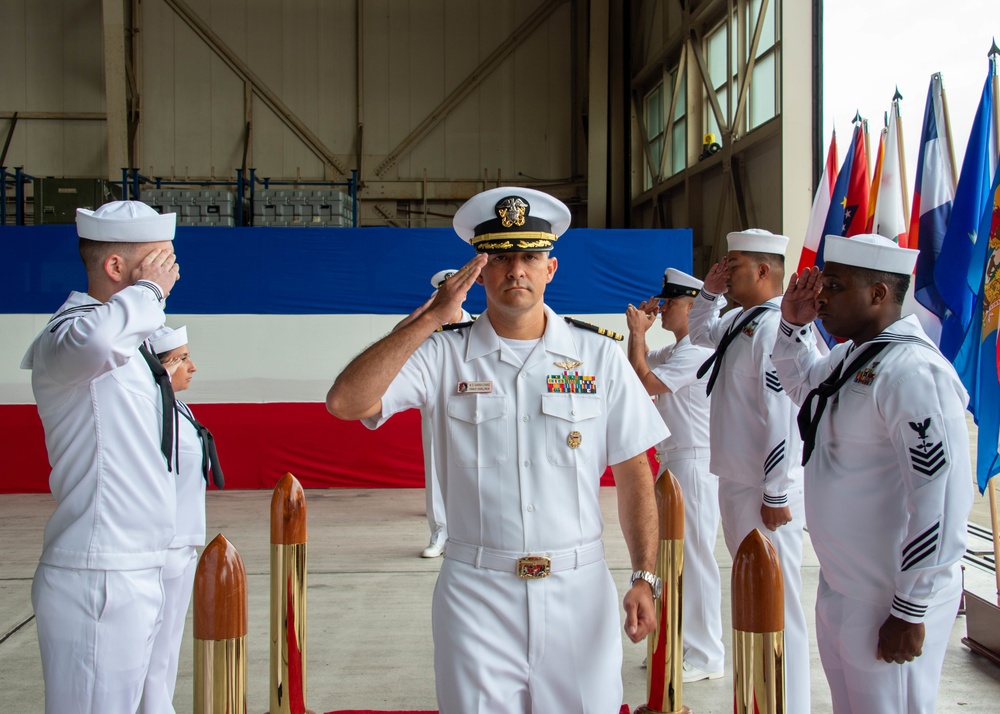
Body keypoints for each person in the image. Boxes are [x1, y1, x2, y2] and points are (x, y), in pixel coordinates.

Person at [326, 186, 668, 713]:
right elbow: (346, 402)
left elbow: (634, 474)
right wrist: (430, 320)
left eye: (529, 256)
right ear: (479, 271)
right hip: (477, 593)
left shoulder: (599, 356)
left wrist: (645, 574)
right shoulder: (443, 355)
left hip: (579, 594)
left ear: (550, 268)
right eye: (502, 258)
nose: (516, 271)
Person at [773, 234, 973, 713]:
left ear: (879, 294)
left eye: (835, 286)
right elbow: (800, 384)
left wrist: (911, 607)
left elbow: (940, 500)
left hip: (889, 595)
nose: (820, 295)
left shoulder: (913, 373)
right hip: (843, 583)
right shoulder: (854, 357)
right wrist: (792, 326)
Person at [20, 200, 180, 713]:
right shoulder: (69, 333)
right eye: (159, 262)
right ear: (117, 268)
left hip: (139, 566)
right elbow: (96, 345)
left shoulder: (130, 343)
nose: (172, 274)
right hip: (99, 576)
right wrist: (149, 292)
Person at [687, 228, 810, 712]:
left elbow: (785, 416)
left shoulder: (778, 329)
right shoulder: (743, 320)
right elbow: (700, 332)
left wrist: (777, 492)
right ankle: (760, 696)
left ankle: (789, 703)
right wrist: (709, 293)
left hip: (764, 489)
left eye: (734, 265)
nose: (725, 270)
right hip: (738, 481)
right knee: (753, 599)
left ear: (764, 271)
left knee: (779, 602)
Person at [625, 267, 724, 682]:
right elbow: (635, 375)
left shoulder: (697, 352)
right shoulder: (678, 349)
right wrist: (640, 335)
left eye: (671, 303)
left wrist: (640, 335)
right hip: (674, 461)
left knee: (696, 559)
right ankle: (678, 641)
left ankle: (705, 654)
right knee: (671, 561)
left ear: (694, 306)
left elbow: (646, 379)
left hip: (695, 463)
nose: (663, 308)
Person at [140, 326, 224, 714]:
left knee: (167, 646)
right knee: (148, 647)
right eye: (181, 359)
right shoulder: (150, 411)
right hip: (159, 546)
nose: (192, 367)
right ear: (160, 368)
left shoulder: (177, 406)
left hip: (182, 543)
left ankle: (159, 707)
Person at [395, 269, 475, 558]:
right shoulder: (426, 329)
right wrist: (421, 318)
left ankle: (472, 532)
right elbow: (395, 349)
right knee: (436, 467)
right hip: (436, 408)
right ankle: (440, 532)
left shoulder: (478, 327)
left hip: (475, 409)